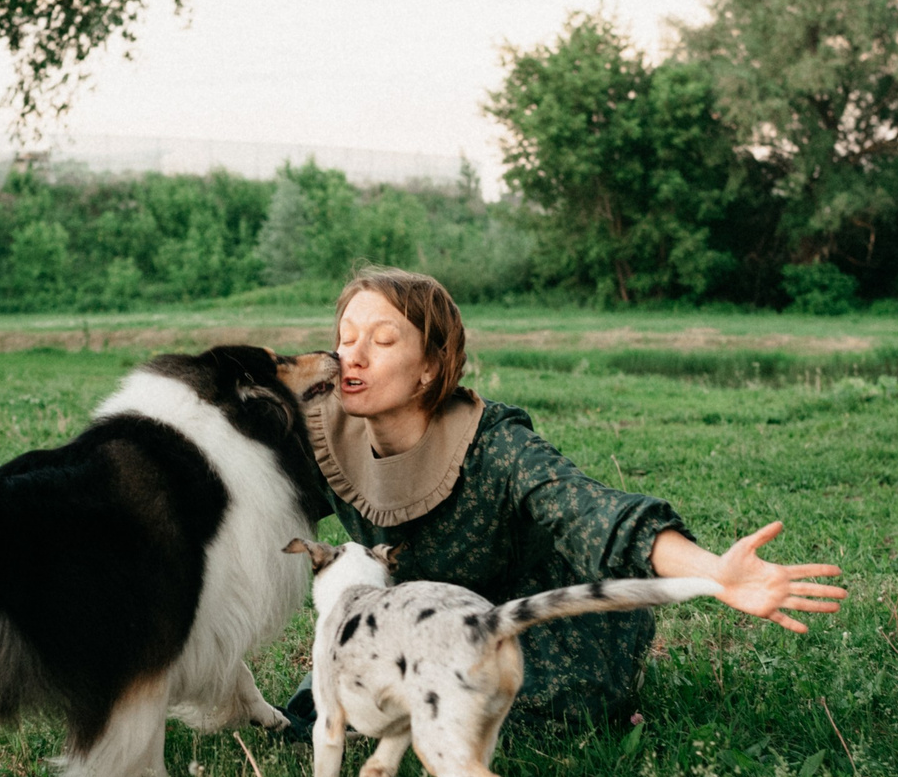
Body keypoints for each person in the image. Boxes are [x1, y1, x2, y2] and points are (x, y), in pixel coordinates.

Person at [281, 267, 845, 732]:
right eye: (345, 336)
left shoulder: (495, 445)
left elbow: (594, 513)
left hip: (529, 619)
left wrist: (715, 572)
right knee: (320, 711)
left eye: (381, 341)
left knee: (510, 711)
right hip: (422, 623)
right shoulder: (323, 432)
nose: (351, 355)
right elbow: (250, 514)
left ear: (430, 366)